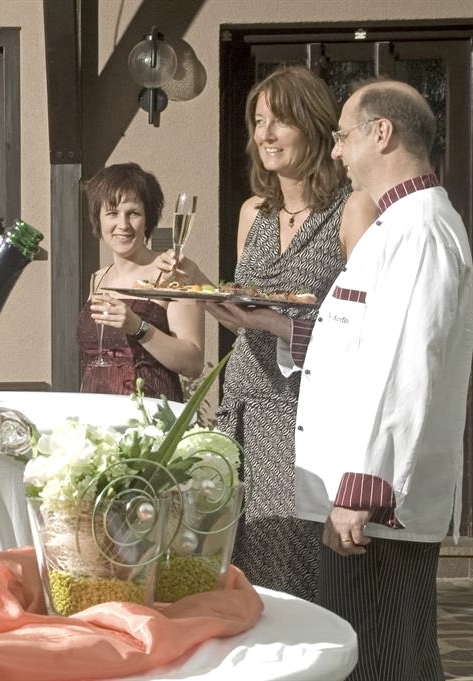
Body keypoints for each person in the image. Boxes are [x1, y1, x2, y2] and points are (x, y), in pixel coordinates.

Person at [213, 79, 473, 681]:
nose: (336, 151)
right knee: (380, 655)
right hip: (364, 493)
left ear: (381, 134)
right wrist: (264, 323)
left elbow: (405, 368)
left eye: (343, 136)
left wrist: (361, 492)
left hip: (376, 502)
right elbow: (355, 344)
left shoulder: (418, 229)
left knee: (378, 660)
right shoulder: (399, 223)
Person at [160, 66, 379, 601]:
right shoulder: (253, 212)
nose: (266, 135)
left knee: (289, 570)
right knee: (231, 563)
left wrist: (270, 321)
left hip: (304, 412)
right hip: (243, 402)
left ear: (314, 127)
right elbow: (244, 311)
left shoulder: (353, 208)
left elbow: (367, 330)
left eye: (280, 121)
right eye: (259, 122)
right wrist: (201, 286)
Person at [78, 163, 203, 399]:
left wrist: (138, 327)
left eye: (133, 213)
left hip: (150, 414)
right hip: (96, 412)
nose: (123, 225)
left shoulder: (172, 273)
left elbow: (193, 364)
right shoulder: (98, 278)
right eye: (112, 213)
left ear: (148, 219)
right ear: (99, 219)